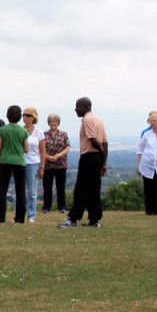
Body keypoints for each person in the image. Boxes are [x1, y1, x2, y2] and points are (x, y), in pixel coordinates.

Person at [59, 97, 108, 228]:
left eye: (78, 106)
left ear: (85, 106)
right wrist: (103, 161)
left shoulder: (87, 120)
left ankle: (73, 219)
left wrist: (101, 152)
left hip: (89, 157)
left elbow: (93, 140)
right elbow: (105, 142)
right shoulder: (98, 120)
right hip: (97, 158)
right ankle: (94, 219)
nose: (76, 109)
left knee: (81, 189)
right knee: (94, 189)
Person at [0, 105, 28, 225]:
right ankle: (19, 218)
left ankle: (0, 218)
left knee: (2, 190)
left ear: (7, 116)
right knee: (20, 191)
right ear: (20, 117)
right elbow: (27, 149)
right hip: (19, 162)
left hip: (5, 161)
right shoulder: (23, 131)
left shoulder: (2, 130)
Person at [21, 107, 46, 223]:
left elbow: (42, 151)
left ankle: (31, 215)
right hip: (20, 163)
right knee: (19, 191)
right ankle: (19, 214)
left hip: (33, 164)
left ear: (33, 118)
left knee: (32, 191)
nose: (25, 117)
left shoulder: (39, 133)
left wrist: (42, 167)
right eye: (24, 115)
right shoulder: (20, 130)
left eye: (27, 115)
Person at [42, 113, 70, 214]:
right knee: (47, 187)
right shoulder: (44, 134)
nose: (53, 123)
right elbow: (40, 149)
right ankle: (46, 207)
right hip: (47, 165)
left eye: (55, 121)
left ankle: (62, 207)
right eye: (51, 121)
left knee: (61, 187)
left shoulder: (64, 134)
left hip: (61, 164)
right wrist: (48, 157)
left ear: (58, 123)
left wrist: (58, 155)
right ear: (48, 123)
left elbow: (67, 147)